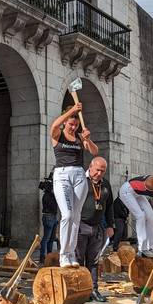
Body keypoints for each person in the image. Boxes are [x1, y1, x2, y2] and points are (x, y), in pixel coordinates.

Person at [50, 104, 99, 267]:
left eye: (76, 124)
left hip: (79, 174)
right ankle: (63, 254)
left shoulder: (79, 138)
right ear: (66, 122)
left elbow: (94, 151)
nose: (73, 127)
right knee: (68, 215)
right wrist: (72, 111)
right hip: (62, 174)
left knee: (76, 217)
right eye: (71, 124)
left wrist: (87, 139)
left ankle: (71, 254)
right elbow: (54, 125)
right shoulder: (58, 135)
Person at [75, 157, 114, 302]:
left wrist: (110, 225)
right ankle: (80, 291)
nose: (99, 173)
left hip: (97, 227)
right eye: (97, 170)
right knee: (78, 259)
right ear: (90, 167)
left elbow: (109, 206)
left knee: (94, 260)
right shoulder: (81, 181)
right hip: (80, 225)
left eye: (102, 171)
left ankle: (94, 290)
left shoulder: (106, 184)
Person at [39, 172, 59, 263]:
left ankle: (49, 256)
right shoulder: (47, 196)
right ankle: (42, 257)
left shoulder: (51, 195)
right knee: (46, 238)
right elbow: (51, 206)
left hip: (53, 217)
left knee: (51, 238)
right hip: (49, 216)